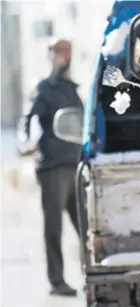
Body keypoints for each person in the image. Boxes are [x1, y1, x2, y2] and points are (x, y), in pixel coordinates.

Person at [18, 37, 83, 296]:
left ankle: (94, 273)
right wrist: (27, 142)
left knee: (86, 224)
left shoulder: (72, 89)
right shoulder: (44, 88)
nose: (61, 57)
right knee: (53, 226)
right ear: (50, 55)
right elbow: (28, 119)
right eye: (56, 52)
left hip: (75, 164)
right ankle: (57, 281)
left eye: (65, 52)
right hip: (53, 167)